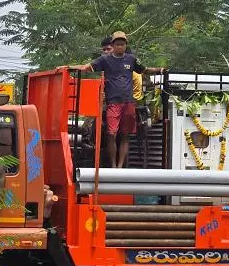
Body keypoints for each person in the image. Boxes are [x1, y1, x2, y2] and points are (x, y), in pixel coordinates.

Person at [65, 31, 164, 168]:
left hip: (129, 102)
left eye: (122, 44)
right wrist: (69, 68)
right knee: (111, 133)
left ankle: (120, 165)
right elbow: (87, 68)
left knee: (125, 135)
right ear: (113, 45)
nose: (119, 47)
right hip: (113, 102)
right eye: (117, 44)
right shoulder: (105, 60)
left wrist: (160, 70)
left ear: (125, 45)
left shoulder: (131, 59)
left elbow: (145, 70)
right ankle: (112, 165)